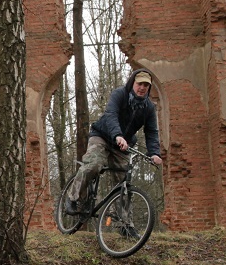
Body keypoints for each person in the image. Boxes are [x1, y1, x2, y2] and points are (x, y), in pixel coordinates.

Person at [64, 69, 163, 215]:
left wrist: (154, 153)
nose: (142, 88)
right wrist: (117, 135)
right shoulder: (120, 94)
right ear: (132, 83)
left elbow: (152, 132)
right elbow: (111, 114)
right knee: (93, 165)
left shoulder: (148, 107)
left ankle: (125, 223)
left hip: (122, 145)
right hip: (102, 136)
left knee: (123, 182)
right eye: (139, 84)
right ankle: (72, 198)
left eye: (146, 85)